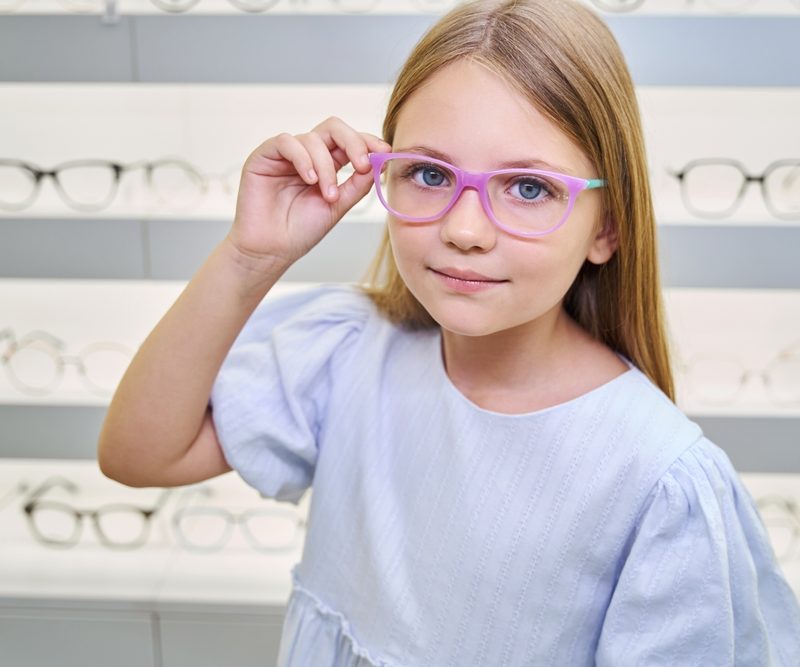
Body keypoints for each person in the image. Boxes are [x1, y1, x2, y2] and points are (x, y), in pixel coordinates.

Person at [97, 0, 800, 664]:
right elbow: (138, 453)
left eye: (528, 188)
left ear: (607, 226)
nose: (464, 230)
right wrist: (251, 260)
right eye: (430, 173)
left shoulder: (658, 483)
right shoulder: (351, 352)